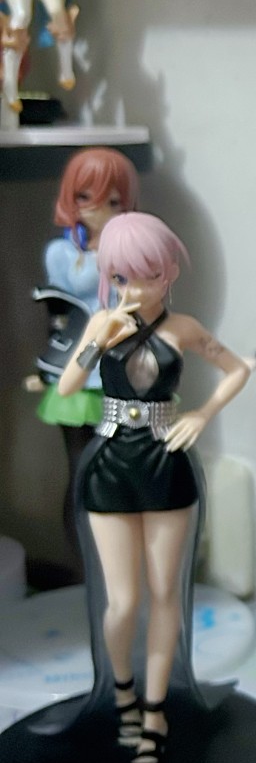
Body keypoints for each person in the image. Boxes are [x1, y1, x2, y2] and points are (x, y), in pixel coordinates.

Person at [58, 212, 250, 763]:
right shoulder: (103, 323)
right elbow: (67, 388)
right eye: (121, 277)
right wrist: (96, 342)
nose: (134, 289)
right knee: (122, 601)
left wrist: (202, 414)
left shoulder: (183, 328)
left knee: (166, 593)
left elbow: (237, 370)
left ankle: (156, 712)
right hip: (111, 466)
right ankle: (122, 691)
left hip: (166, 464)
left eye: (146, 275)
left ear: (169, 273)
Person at [26, 147, 139, 569]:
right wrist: (47, 368)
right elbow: (61, 310)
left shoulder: (131, 247)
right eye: (87, 198)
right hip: (78, 369)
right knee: (81, 472)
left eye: (114, 201)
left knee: (120, 472)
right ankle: (83, 570)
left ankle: (117, 569)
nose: (100, 210)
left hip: (119, 369)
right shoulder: (61, 253)